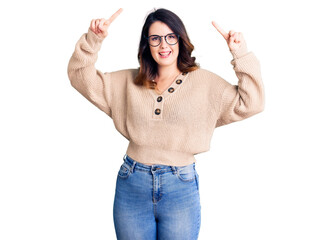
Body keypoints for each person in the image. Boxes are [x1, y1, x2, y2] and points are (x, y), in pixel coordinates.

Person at [67, 7, 264, 240]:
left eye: (171, 37)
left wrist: (239, 54)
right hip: (132, 184)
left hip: (180, 186)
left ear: (181, 40)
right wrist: (93, 39)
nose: (164, 45)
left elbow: (252, 102)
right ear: (146, 44)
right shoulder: (129, 82)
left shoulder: (206, 83)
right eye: (155, 38)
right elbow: (80, 76)